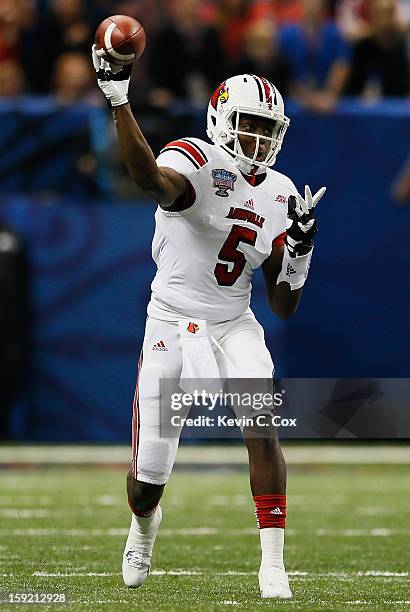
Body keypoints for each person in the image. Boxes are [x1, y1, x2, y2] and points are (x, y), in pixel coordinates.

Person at [92, 46, 326, 599]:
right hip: (172, 319)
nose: (258, 139)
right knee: (149, 475)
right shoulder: (195, 158)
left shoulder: (282, 192)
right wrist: (120, 100)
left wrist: (297, 250)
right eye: (248, 125)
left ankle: (272, 563)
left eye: (268, 128)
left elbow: (283, 305)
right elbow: (152, 181)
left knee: (262, 428)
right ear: (221, 119)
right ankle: (143, 529)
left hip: (233, 322)